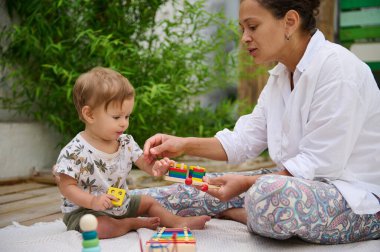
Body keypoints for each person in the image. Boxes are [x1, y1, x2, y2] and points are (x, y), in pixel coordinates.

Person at [142, 0, 380, 245]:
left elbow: (320, 164)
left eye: (252, 27)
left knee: (268, 195)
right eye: (242, 29)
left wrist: (246, 183)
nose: (245, 38)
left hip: (357, 198)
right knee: (199, 185)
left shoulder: (338, 69)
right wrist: (183, 145)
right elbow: (243, 140)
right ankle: (113, 204)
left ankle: (244, 214)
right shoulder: (280, 76)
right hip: (291, 182)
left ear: (290, 22)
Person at [53, 67, 210, 239]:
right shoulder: (74, 151)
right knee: (98, 227)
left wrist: (157, 167)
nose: (123, 124)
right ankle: (129, 224)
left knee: (149, 202)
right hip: (85, 211)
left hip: (121, 204)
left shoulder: (125, 142)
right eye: (116, 117)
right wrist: (93, 201)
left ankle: (177, 221)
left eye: (127, 116)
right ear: (89, 114)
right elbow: (66, 187)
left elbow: (145, 163)